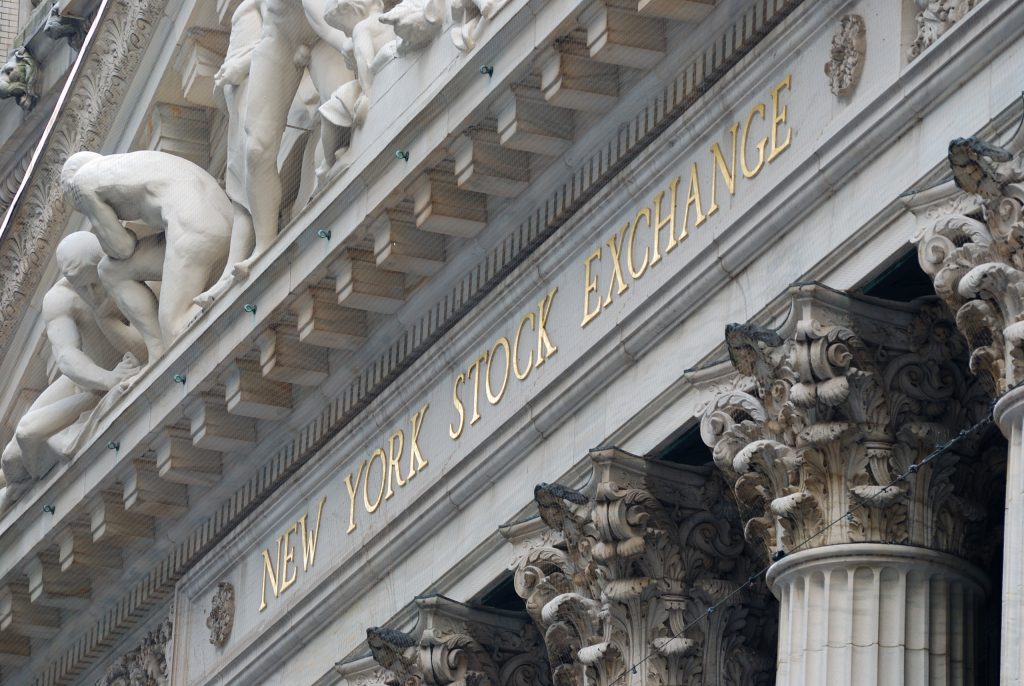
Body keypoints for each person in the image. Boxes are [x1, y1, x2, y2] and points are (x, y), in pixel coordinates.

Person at [0, 233, 144, 509]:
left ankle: (12, 490)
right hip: (88, 379)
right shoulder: (60, 298)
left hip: (114, 368)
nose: (92, 293)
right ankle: (14, 491)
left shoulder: (124, 262)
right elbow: (67, 357)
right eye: (81, 286)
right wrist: (109, 379)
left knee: (26, 439)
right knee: (13, 454)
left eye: (93, 282)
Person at [61, 150, 233, 367]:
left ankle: (228, 292)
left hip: (195, 230)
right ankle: (156, 352)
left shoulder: (80, 183)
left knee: (173, 330)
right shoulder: (131, 163)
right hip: (224, 219)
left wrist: (109, 233)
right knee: (111, 270)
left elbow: (122, 248)